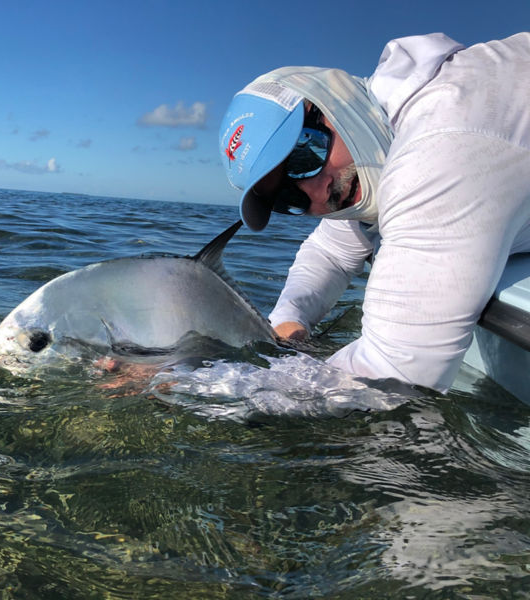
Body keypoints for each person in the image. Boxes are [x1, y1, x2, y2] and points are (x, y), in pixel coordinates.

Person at [219, 32, 530, 392]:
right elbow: (330, 253)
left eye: (305, 154)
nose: (317, 192)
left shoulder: (443, 143)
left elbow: (392, 372)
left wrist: (195, 382)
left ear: (332, 99)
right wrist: (289, 320)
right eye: (288, 196)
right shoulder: (377, 144)